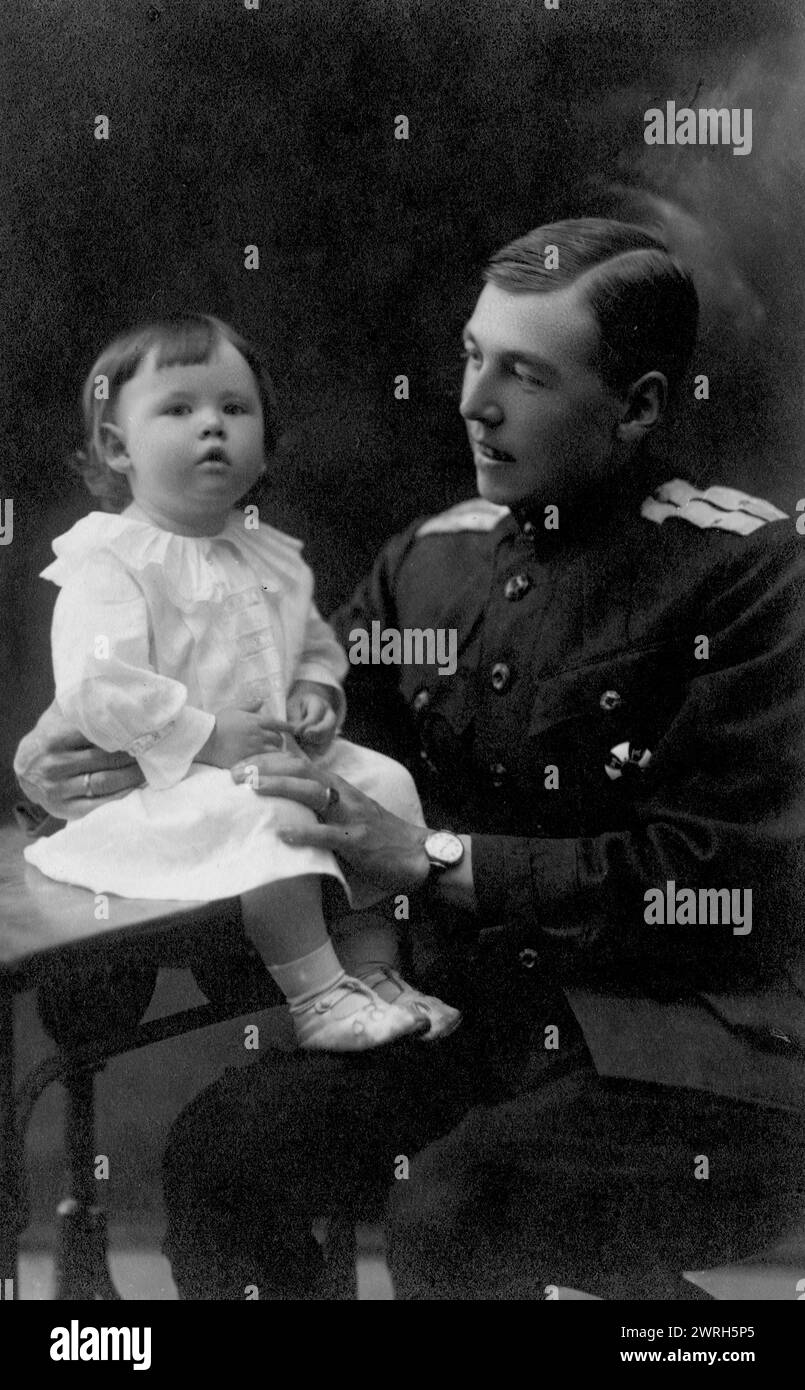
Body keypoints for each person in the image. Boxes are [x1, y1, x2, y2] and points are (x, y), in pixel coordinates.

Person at [15, 220, 805, 1299]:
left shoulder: (749, 574)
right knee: (231, 1155)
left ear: (640, 407)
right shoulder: (431, 561)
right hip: (471, 1024)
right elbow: (296, 751)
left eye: (525, 374)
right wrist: (98, 756)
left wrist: (431, 857)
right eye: (473, 356)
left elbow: (731, 885)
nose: (475, 401)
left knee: (459, 1211)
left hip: (691, 1056)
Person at [20, 313, 459, 1052]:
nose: (212, 428)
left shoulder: (264, 553)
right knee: (274, 813)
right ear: (116, 447)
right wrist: (205, 732)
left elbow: (314, 645)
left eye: (234, 409)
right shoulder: (111, 560)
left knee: (380, 782)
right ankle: (318, 997)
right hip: (158, 787)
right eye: (179, 409)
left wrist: (317, 692)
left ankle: (374, 971)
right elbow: (99, 685)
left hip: (265, 762)